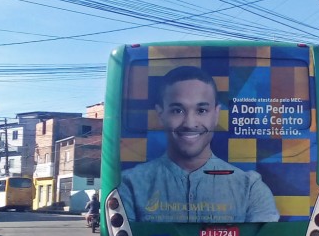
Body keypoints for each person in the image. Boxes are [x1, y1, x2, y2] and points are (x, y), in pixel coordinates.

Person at [118, 65, 279, 223]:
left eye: (201, 110)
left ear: (216, 115)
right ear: (161, 114)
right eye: (177, 110)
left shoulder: (250, 188)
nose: (190, 123)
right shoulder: (130, 185)